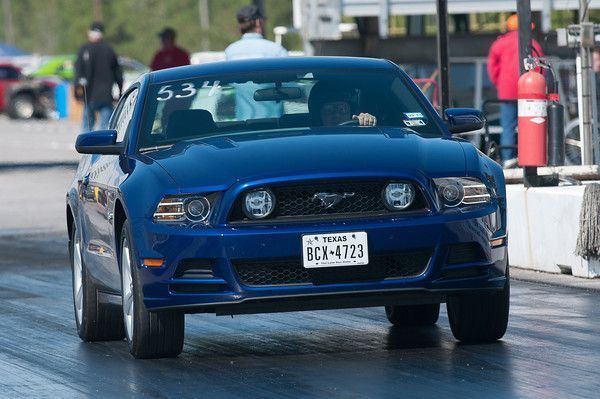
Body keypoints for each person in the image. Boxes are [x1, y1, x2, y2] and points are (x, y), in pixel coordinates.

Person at [487, 14, 543, 167]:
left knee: (508, 127)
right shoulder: (532, 44)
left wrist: (499, 83)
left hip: (506, 92)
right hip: (530, 91)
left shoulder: (499, 44)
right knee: (530, 124)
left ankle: (507, 159)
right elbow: (539, 67)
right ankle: (530, 157)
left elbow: (493, 68)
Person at [225, 4, 288, 120]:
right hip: (275, 126)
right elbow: (289, 85)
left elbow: (228, 87)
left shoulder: (230, 51)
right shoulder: (277, 50)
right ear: (259, 22)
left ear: (240, 26)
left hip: (243, 127)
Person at [74, 22, 123, 132]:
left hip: (89, 94)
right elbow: (118, 74)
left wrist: (78, 93)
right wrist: (120, 92)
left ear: (89, 33)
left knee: (87, 128)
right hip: (105, 95)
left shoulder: (84, 49)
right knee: (105, 129)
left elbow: (78, 73)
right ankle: (102, 149)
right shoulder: (109, 50)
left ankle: (86, 149)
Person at [308, 82, 377, 127]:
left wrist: (367, 122)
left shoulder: (358, 133)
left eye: (342, 109)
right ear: (319, 114)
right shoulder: (309, 138)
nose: (336, 115)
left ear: (351, 112)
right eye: (329, 110)